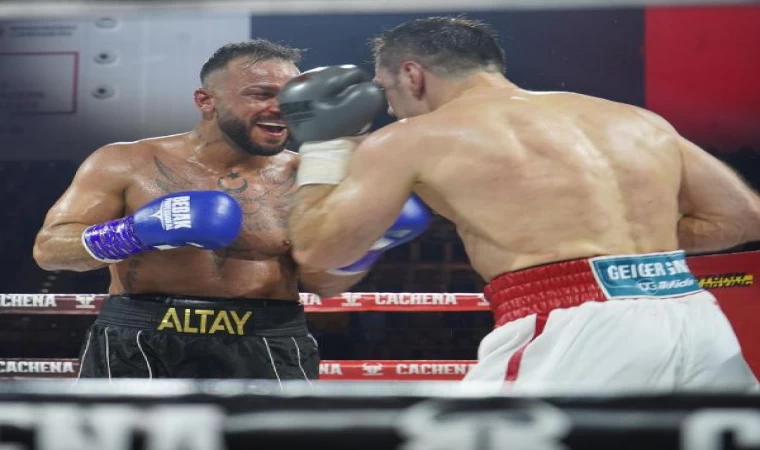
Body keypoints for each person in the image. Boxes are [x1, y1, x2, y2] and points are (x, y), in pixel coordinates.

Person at [281, 17, 760, 392]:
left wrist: (324, 147)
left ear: (412, 74)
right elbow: (743, 218)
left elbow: (320, 251)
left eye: (386, 89)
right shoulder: (637, 120)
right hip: (694, 315)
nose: (389, 107)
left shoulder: (412, 138)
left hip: (574, 325)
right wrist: (615, 248)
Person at [32, 39, 386, 381]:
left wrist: (365, 247)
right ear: (205, 101)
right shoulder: (125, 162)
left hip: (267, 342)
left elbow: (323, 283)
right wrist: (135, 232)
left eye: (291, 97)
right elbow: (50, 251)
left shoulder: (310, 178)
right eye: (261, 94)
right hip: (140, 342)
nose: (281, 108)